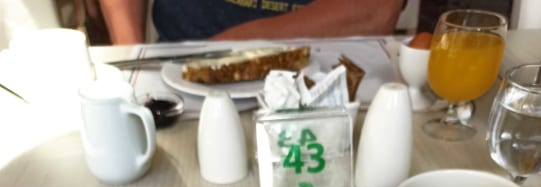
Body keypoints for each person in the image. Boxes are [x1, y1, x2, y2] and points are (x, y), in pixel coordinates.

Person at [99, 0, 405, 45]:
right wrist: (131, 54)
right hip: (174, 68)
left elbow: (375, 9)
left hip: (330, 77)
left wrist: (231, 47)